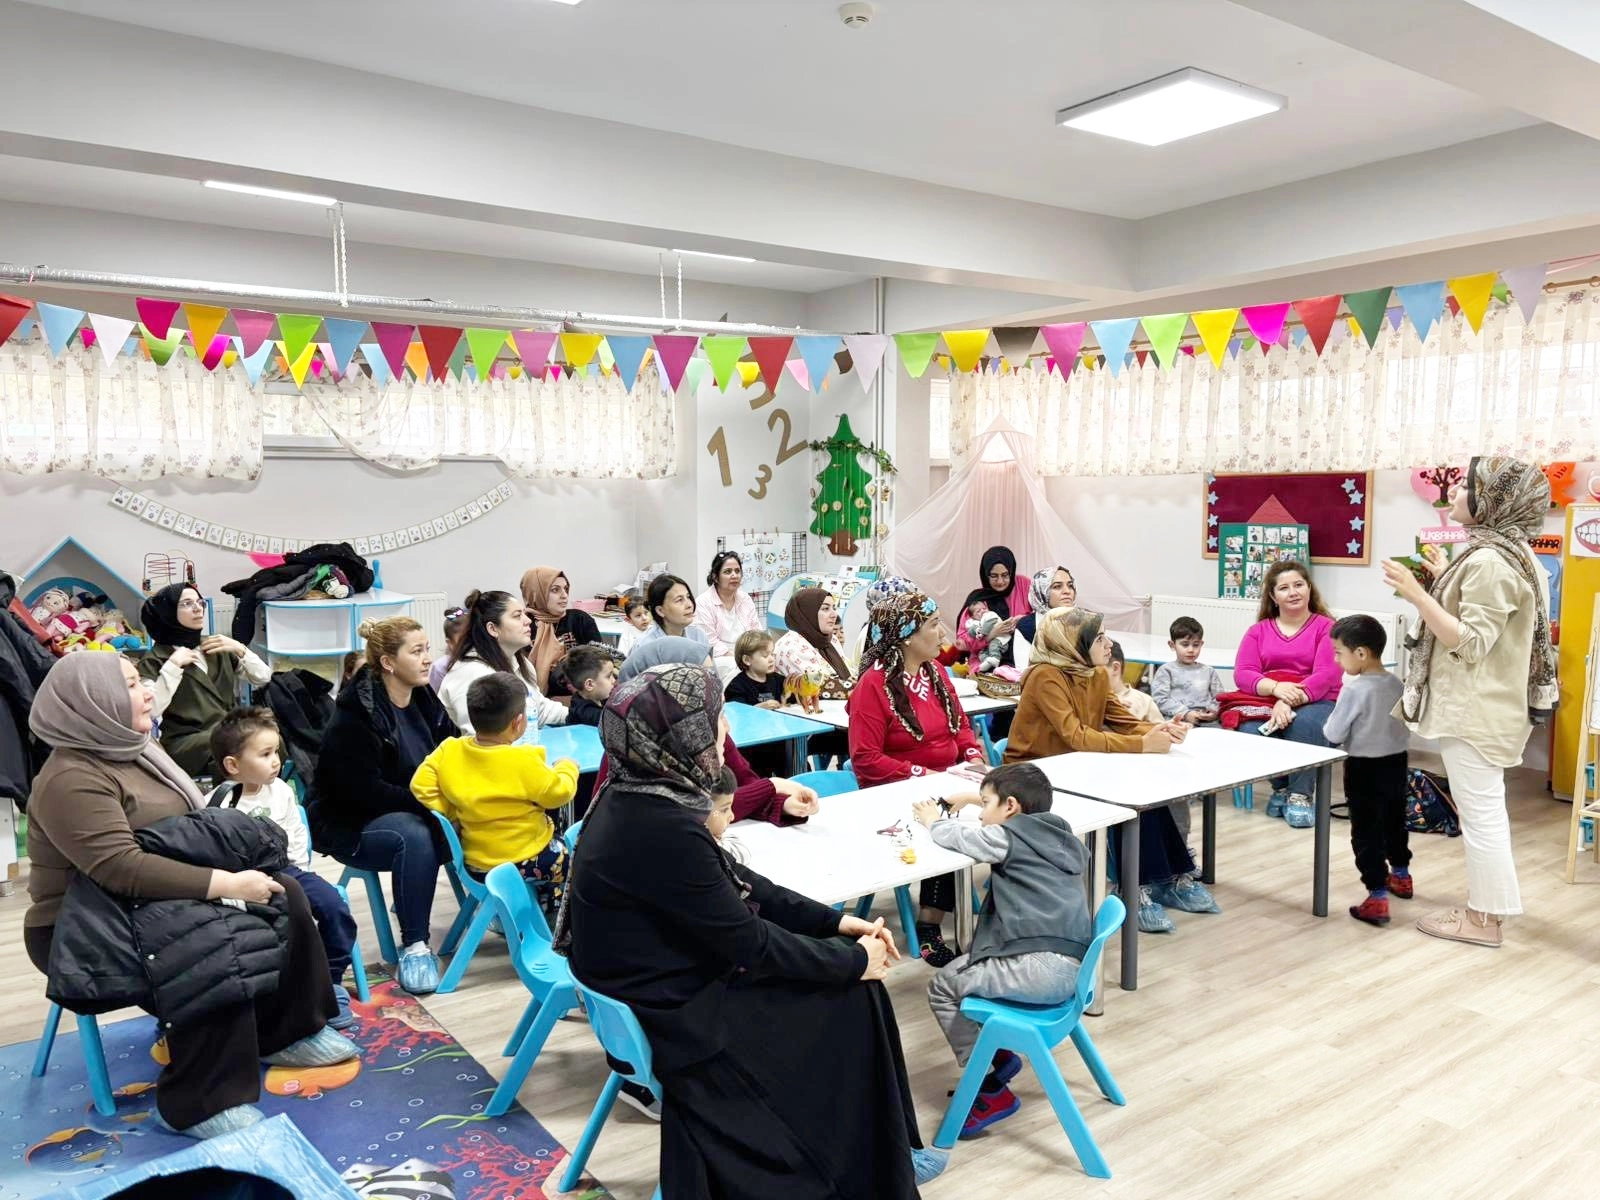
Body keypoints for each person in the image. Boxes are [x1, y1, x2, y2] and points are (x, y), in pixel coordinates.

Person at [559, 662, 946, 1196]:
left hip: (657, 981)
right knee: (856, 996)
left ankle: (886, 1152)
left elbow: (739, 881)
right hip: (672, 1010)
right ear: (683, 736)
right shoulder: (662, 824)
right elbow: (748, 941)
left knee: (851, 981)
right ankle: (868, 1162)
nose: (723, 732)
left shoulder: (639, 792)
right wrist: (855, 960)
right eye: (715, 720)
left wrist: (834, 920)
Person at [26, 653, 356, 1139]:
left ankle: (285, 1031)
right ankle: (199, 1102)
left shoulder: (135, 747)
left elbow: (187, 829)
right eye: (131, 685)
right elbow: (120, 867)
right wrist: (226, 884)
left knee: (285, 891)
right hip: (81, 924)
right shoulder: (70, 777)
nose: (147, 692)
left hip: (145, 902)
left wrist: (233, 873)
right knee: (207, 940)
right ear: (95, 702)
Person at [1382, 456, 1556, 948]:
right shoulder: (1512, 553)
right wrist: (1444, 580)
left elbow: (1472, 643)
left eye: (1466, 487)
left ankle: (1484, 919)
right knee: (1484, 813)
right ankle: (1491, 910)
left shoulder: (1488, 562)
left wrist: (1418, 595)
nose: (1454, 493)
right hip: (1490, 706)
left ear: (1492, 501)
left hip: (1476, 709)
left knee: (1481, 816)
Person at [1004, 606, 1217, 933]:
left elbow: (1124, 722)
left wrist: (1159, 730)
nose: (1109, 644)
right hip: (1036, 772)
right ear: (1074, 643)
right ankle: (1134, 887)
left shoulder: (1096, 674)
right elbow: (1075, 735)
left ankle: (1170, 876)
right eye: (1099, 638)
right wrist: (1143, 744)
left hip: (1078, 765)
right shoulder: (1045, 675)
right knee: (1125, 795)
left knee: (1147, 788)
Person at [913, 763, 1091, 1138]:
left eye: (985, 803)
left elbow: (959, 837)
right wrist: (971, 797)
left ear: (1010, 807)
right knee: (966, 968)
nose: (981, 814)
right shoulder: (1061, 834)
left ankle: (988, 1080)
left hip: (1037, 968)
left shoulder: (1008, 837)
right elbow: (994, 816)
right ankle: (998, 1058)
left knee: (943, 986)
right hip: (1073, 967)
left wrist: (932, 820)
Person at [310, 616, 457, 995]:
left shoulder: (423, 697)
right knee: (415, 834)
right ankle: (416, 946)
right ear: (389, 662)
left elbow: (452, 747)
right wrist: (430, 803)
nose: (428, 659)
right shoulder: (355, 715)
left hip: (413, 808)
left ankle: (500, 908)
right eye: (417, 651)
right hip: (352, 822)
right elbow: (362, 791)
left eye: (427, 649)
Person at [849, 590, 986, 967]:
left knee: (992, 816)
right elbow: (865, 759)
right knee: (947, 825)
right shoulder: (873, 686)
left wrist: (972, 757)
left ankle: (996, 916)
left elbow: (961, 726)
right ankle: (929, 924)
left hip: (944, 783)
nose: (943, 633)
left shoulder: (935, 672)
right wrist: (923, 775)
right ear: (907, 635)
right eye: (933, 624)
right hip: (891, 793)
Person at [207, 706, 359, 1029]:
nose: (276, 761)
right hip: (241, 881)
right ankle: (278, 994)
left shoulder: (282, 791)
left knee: (333, 906)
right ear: (233, 765)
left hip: (287, 871)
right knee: (267, 931)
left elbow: (296, 834)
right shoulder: (218, 801)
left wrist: (298, 870)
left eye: (276, 751)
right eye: (265, 754)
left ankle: (330, 980)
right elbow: (213, 852)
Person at [412, 671, 580, 910]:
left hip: (476, 863)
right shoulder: (523, 761)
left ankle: (528, 910)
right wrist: (567, 767)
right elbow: (558, 794)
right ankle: (552, 915)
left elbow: (420, 785)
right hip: (525, 859)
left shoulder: (449, 749)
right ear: (518, 723)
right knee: (574, 859)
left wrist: (454, 811)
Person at [613, 637, 821, 825]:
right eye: (699, 675)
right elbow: (701, 811)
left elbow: (745, 786)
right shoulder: (633, 749)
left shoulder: (710, 729)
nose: (710, 683)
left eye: (712, 674)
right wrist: (772, 786)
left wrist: (783, 804)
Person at [1232, 561, 1344, 829]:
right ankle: (1281, 788)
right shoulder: (1258, 631)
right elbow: (1243, 673)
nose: (1293, 592)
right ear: (1273, 596)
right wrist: (1275, 689)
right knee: (1250, 730)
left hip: (1318, 699)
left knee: (1304, 723)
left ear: (1309, 589)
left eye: (1298, 585)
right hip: (1269, 698)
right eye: (1284, 588)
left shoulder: (1327, 627)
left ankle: (1300, 795)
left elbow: (1326, 675)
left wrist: (1287, 699)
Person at [1323, 616, 1412, 928]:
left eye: (1339, 652)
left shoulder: (1354, 690)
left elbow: (1334, 732)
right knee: (1394, 821)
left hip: (1364, 768)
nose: (1336, 660)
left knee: (1366, 832)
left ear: (1360, 653)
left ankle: (1376, 896)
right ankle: (1401, 875)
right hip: (1397, 762)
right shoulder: (1397, 684)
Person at [138, 582, 272, 779]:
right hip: (186, 742)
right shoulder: (155, 659)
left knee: (268, 738)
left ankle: (261, 793)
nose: (197, 608)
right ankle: (236, 795)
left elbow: (263, 677)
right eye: (187, 603)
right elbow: (151, 709)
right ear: (168, 612)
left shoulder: (216, 645)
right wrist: (173, 666)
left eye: (200, 602)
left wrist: (240, 649)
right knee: (235, 746)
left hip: (229, 731)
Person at [438, 589, 568, 734]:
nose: (528, 621)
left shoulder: (520, 662)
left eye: (524, 614)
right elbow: (479, 738)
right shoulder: (471, 673)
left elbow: (539, 710)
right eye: (517, 616)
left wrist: (579, 713)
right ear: (493, 628)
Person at [521, 566, 602, 698]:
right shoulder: (523, 625)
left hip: (581, 696)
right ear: (536, 593)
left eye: (566, 589)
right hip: (534, 700)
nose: (564, 595)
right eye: (555, 590)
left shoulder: (579, 620)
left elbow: (600, 662)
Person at [692, 551, 761, 678]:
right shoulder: (703, 603)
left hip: (746, 655)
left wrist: (756, 655)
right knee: (736, 669)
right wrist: (740, 659)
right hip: (719, 657)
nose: (734, 575)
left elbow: (756, 631)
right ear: (715, 577)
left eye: (737, 571)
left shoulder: (745, 598)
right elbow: (710, 643)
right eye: (728, 572)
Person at [773, 587, 853, 695]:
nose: (834, 615)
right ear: (808, 612)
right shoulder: (791, 646)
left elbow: (848, 674)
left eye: (834, 608)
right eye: (825, 609)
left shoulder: (830, 639)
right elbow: (817, 687)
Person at [1151, 616, 1223, 724]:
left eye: (1196, 645)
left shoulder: (1209, 671)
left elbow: (1220, 697)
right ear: (1172, 645)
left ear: (1201, 644)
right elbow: (1160, 700)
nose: (1191, 650)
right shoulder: (1166, 671)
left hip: (1207, 721)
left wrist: (1214, 711)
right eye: (1185, 644)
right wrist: (1185, 713)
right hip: (1176, 720)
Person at [632, 574, 710, 651]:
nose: (689, 605)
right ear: (660, 611)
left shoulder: (698, 636)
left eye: (688, 597)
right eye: (679, 600)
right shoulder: (645, 646)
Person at [1012, 566, 1076, 659]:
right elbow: (1025, 667)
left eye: (1070, 586)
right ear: (1041, 591)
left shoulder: (1084, 621)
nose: (1067, 591)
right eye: (1057, 586)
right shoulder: (1027, 626)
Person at [724, 629, 786, 708]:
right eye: (765, 656)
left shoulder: (778, 679)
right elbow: (736, 711)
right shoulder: (736, 687)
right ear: (747, 660)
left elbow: (794, 695)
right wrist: (759, 707)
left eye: (772, 654)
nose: (772, 659)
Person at [563, 644, 617, 727]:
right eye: (609, 676)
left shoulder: (599, 697)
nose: (614, 681)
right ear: (590, 684)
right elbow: (618, 723)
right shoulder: (585, 713)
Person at [956, 597, 1012, 675]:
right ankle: (987, 662)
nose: (982, 611)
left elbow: (992, 622)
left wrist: (983, 633)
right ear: (973, 616)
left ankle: (994, 659)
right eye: (978, 611)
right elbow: (964, 640)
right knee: (982, 654)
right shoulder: (977, 599)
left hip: (1002, 643)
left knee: (994, 646)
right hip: (980, 652)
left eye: (984, 609)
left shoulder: (990, 614)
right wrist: (988, 635)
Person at [428, 605, 469, 693]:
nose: (469, 645)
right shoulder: (440, 667)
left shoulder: (477, 661)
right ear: (450, 643)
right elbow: (433, 695)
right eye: (463, 641)